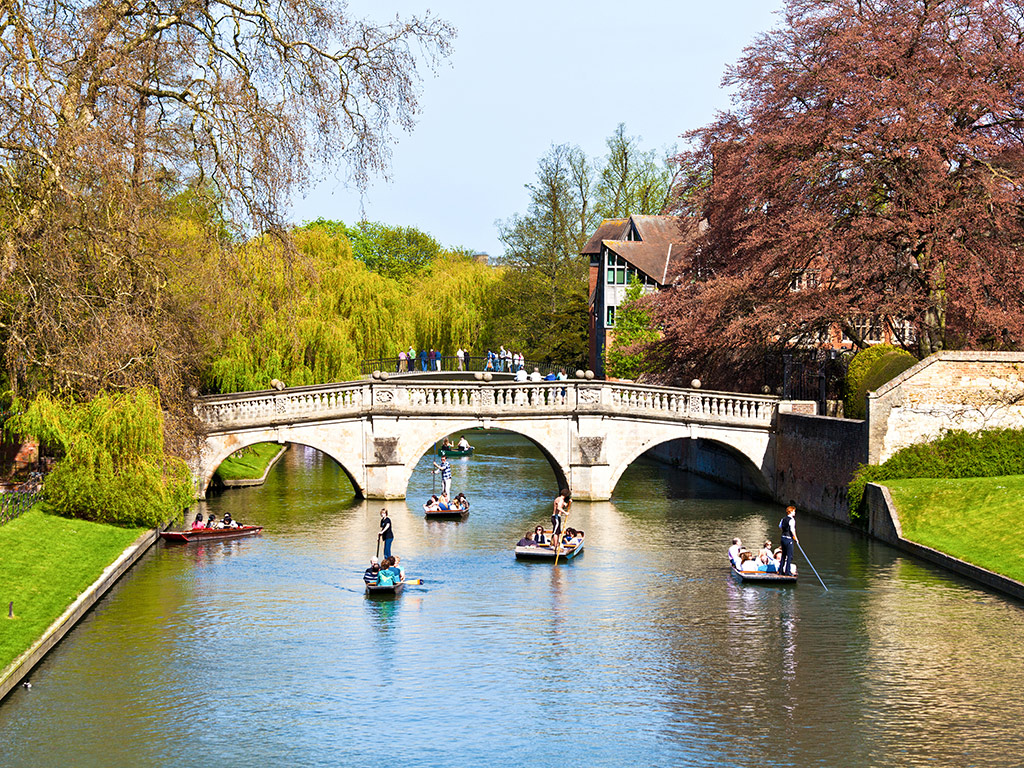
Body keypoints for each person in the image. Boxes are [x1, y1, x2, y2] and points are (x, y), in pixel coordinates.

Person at [779, 505, 798, 576]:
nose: (795, 513)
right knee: (790, 556)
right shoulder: (792, 520)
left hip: (783, 538)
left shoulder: (783, 519)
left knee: (783, 555)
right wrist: (796, 538)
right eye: (794, 511)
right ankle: (788, 572)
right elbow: (792, 530)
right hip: (788, 539)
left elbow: (780, 526)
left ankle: (780, 571)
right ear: (791, 511)